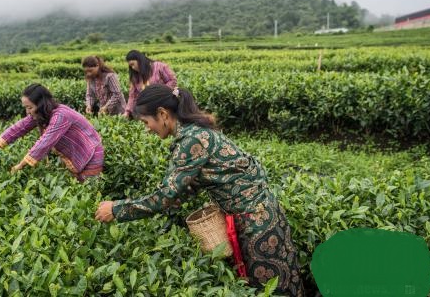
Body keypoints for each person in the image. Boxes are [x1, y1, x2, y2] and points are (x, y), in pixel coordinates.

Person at [95, 84, 304, 296]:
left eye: (146, 122)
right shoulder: (196, 132)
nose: (147, 128)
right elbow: (191, 184)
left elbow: (163, 197)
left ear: (162, 114)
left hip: (257, 223)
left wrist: (116, 209)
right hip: (261, 215)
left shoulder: (191, 141)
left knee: (271, 289)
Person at [0, 83, 104, 182]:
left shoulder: (61, 115)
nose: (28, 112)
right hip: (76, 156)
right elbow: (17, 129)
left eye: (29, 107)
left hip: (90, 155)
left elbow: (44, 143)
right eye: (25, 108)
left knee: (89, 194)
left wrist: (19, 166)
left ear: (41, 104)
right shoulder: (41, 114)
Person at [124, 50, 177, 118]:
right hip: (148, 109)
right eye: (130, 66)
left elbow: (172, 80)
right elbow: (133, 96)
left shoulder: (159, 66)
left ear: (139, 60)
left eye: (133, 64)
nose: (133, 68)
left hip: (164, 104)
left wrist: (160, 93)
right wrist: (127, 111)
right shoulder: (136, 76)